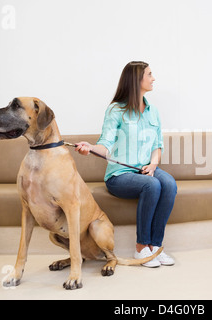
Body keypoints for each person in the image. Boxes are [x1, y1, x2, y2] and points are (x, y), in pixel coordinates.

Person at [75, 61, 177, 266]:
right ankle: (141, 248)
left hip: (145, 170)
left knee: (169, 184)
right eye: (149, 74)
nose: (153, 78)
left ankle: (155, 247)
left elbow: (158, 145)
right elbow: (105, 145)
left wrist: (154, 165)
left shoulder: (152, 111)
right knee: (152, 184)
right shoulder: (116, 110)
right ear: (136, 80)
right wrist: (90, 148)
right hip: (120, 176)